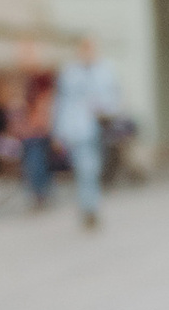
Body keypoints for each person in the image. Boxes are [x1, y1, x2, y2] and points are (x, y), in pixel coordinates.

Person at [51, 34, 121, 230]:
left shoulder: (106, 70)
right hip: (77, 130)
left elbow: (114, 97)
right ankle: (89, 208)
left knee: (94, 169)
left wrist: (105, 108)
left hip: (101, 128)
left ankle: (90, 206)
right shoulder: (69, 73)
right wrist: (58, 133)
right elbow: (61, 103)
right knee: (85, 169)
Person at [13, 43, 58, 208]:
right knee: (37, 162)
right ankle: (40, 193)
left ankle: (40, 194)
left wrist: (36, 123)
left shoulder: (41, 79)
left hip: (37, 129)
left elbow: (45, 103)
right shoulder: (28, 78)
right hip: (31, 129)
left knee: (36, 162)